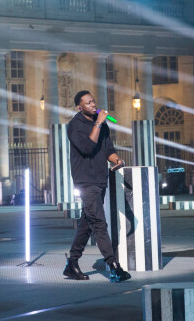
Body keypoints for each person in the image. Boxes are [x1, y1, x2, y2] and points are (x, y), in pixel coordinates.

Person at [63, 90, 131, 283]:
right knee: (100, 224)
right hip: (85, 182)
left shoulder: (102, 124)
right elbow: (87, 148)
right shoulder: (75, 126)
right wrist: (98, 123)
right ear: (80, 107)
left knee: (87, 224)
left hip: (100, 180)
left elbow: (107, 149)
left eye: (93, 101)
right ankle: (114, 266)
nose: (93, 105)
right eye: (88, 103)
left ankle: (72, 264)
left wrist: (116, 159)